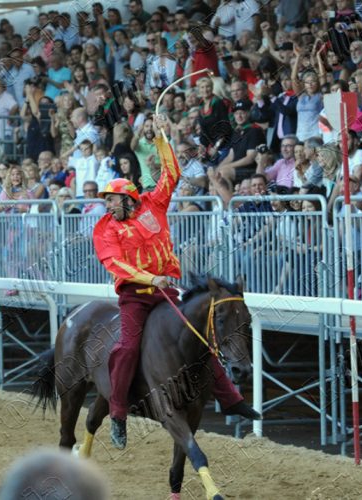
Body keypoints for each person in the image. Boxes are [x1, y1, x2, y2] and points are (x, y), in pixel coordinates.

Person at [93, 116, 260, 450]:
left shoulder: (153, 204)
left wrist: (161, 138)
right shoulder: (105, 228)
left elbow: (171, 174)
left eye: (111, 199)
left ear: (128, 199)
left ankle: (231, 398)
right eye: (106, 200)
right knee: (127, 347)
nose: (107, 204)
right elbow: (116, 264)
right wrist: (149, 277)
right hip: (135, 297)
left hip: (166, 291)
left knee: (200, 337)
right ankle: (118, 412)